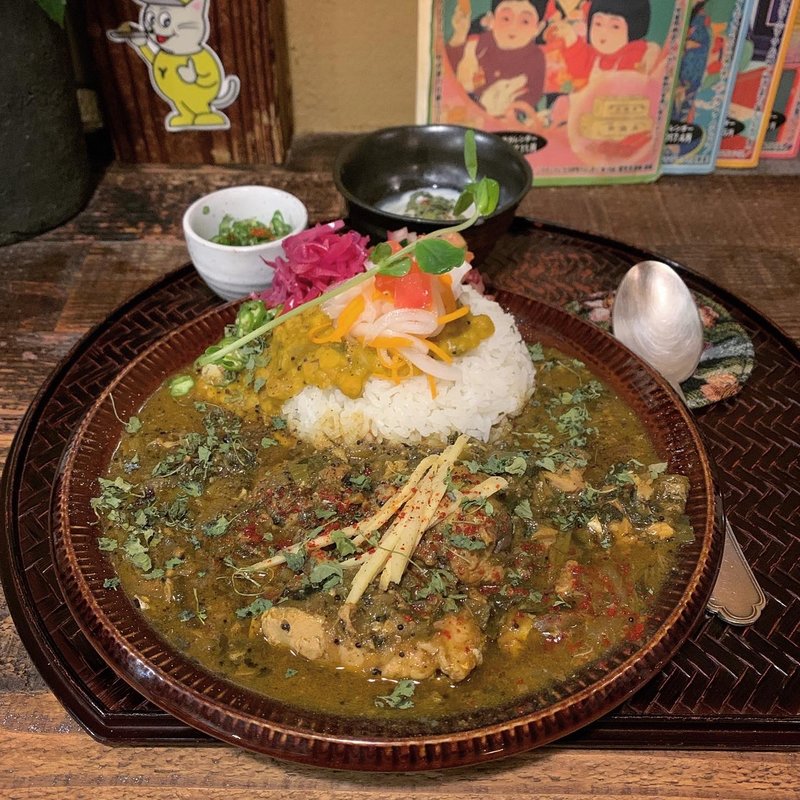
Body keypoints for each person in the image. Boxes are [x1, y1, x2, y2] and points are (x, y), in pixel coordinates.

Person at [447, 0, 548, 118]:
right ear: (491, 20)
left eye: (525, 21)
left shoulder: (535, 57)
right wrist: (459, 35)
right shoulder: (480, 43)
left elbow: (534, 93)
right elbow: (450, 69)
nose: (513, 27)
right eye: (506, 19)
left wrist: (512, 109)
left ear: (538, 27)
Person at [551, 0, 658, 82]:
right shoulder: (591, 54)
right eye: (598, 24)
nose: (603, 32)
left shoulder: (637, 54)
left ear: (634, 29)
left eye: (615, 26)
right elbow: (577, 73)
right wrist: (571, 40)